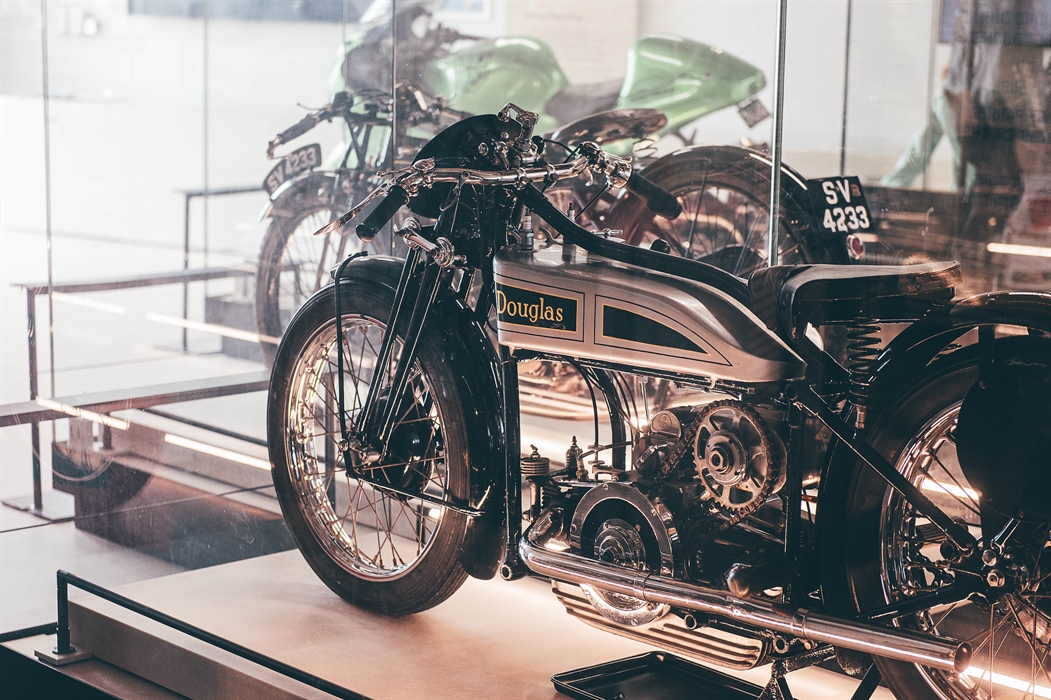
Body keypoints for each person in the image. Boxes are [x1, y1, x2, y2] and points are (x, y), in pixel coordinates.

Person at [943, 0, 1051, 240]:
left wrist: (959, 93)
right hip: (1013, 66)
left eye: (982, 191)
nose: (985, 186)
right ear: (1012, 189)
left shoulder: (971, 145)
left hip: (995, 72)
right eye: (992, 194)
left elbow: (963, 45)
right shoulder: (1030, 153)